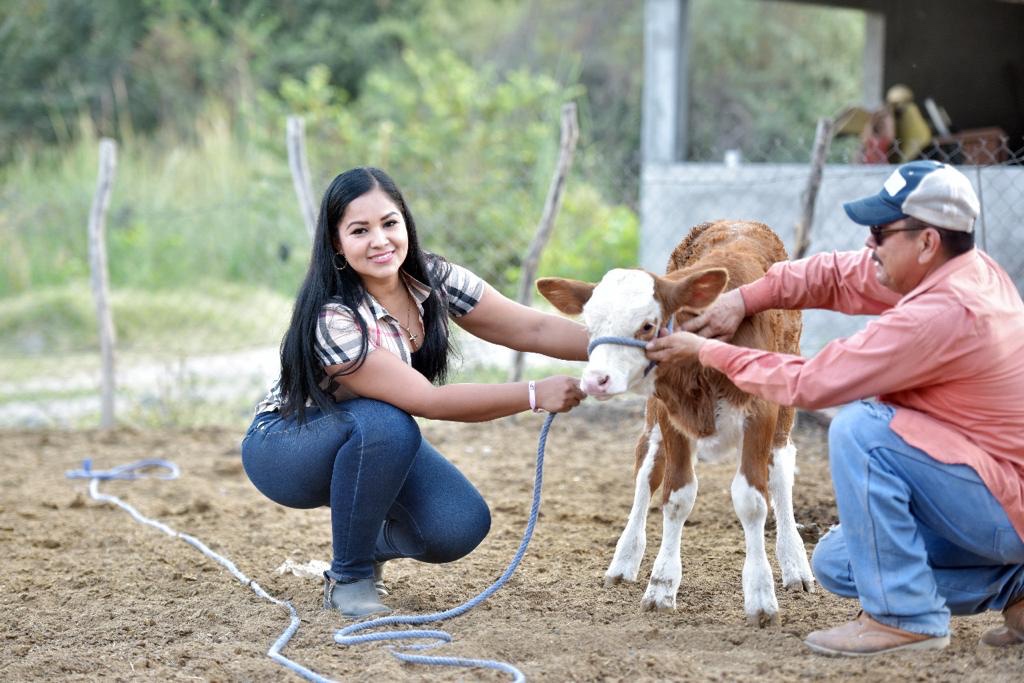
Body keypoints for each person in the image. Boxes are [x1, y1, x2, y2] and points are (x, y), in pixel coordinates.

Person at [645, 160, 1024, 655]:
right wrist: (744, 298)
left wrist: (709, 352)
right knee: (840, 562)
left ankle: (906, 620)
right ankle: (1015, 588)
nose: (869, 243)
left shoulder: (942, 313)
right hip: (981, 493)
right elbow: (837, 276)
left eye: (881, 231)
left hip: (998, 507)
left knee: (862, 431)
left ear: (927, 242)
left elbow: (813, 381)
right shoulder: (961, 271)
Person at [242, 167, 588, 618]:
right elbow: (428, 402)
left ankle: (364, 545)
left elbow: (532, 325)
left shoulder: (433, 277)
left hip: (370, 437)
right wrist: (532, 393)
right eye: (359, 230)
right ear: (336, 243)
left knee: (457, 525)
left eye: (389, 223)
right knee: (389, 422)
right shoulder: (332, 318)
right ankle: (349, 577)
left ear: (406, 222)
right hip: (286, 449)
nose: (380, 240)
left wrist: (621, 344)